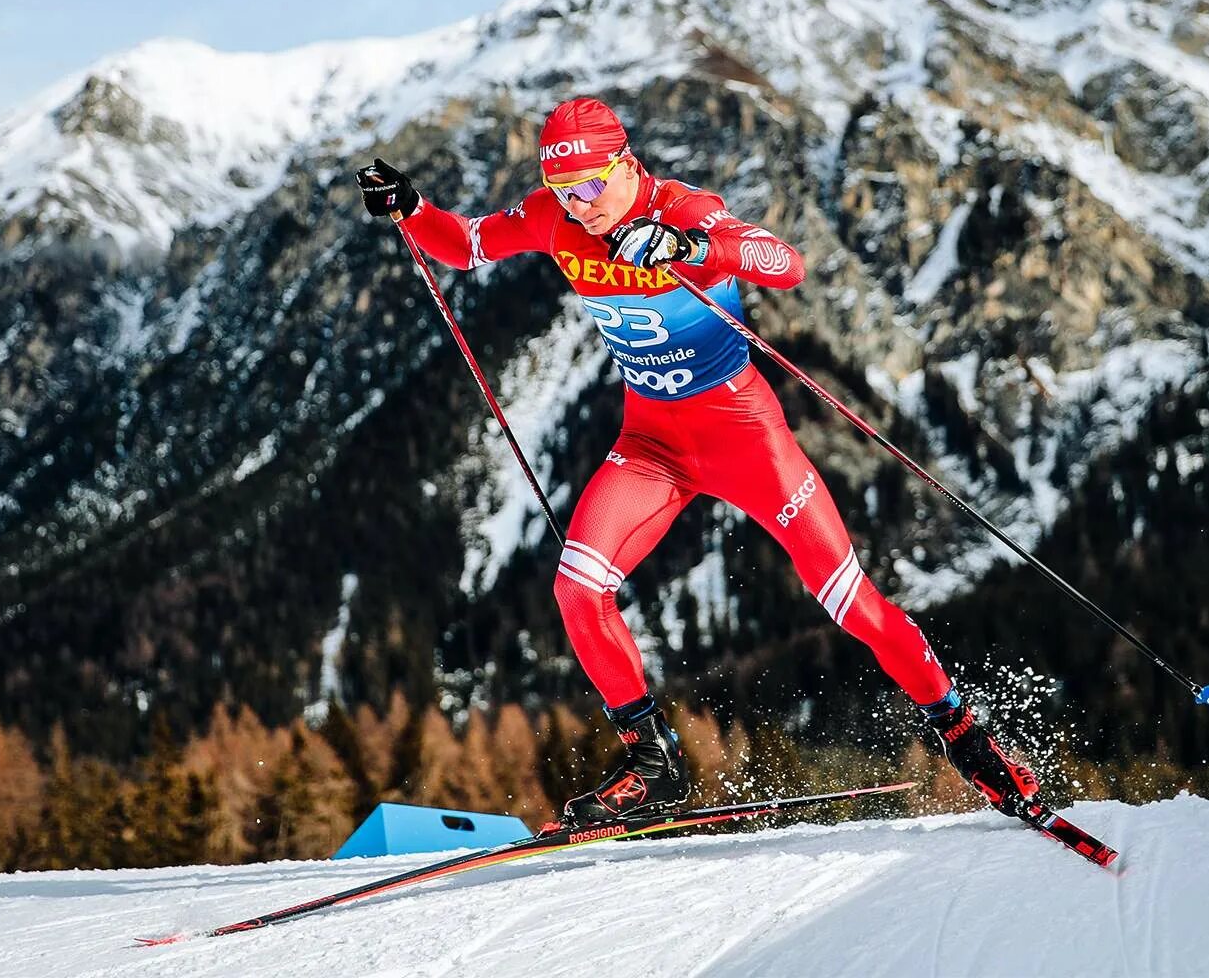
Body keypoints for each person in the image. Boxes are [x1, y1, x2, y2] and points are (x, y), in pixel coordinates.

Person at [355, 97, 1043, 827]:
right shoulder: (555, 218)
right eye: (562, 191)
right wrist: (412, 206)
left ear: (626, 163)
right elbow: (464, 244)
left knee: (852, 603)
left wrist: (686, 250)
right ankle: (652, 761)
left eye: (589, 185)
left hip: (744, 436)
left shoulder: (683, 208)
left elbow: (783, 262)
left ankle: (966, 738)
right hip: (650, 444)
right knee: (578, 591)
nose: (577, 205)